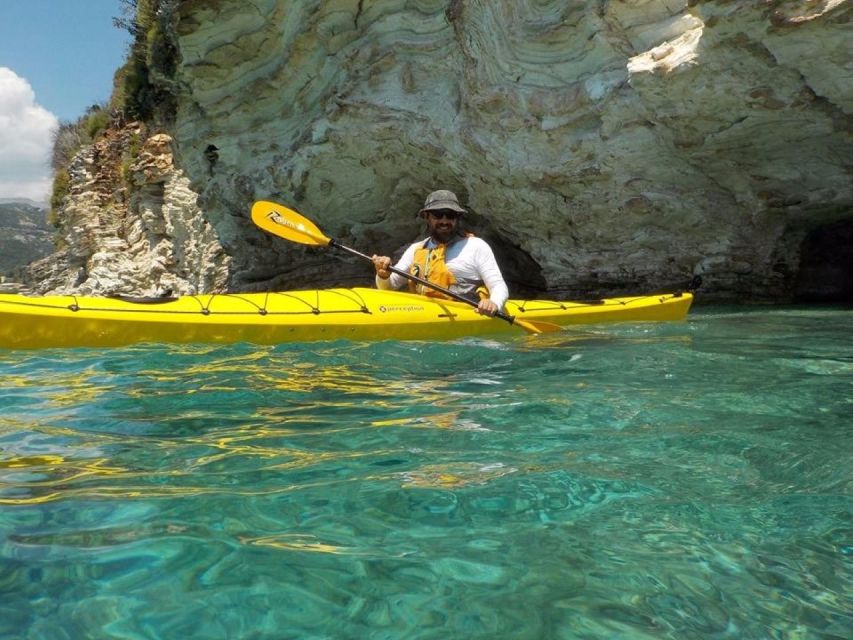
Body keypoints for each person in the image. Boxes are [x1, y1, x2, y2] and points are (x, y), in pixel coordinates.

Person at [371, 190, 509, 316]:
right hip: (425, 316)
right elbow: (389, 287)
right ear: (427, 217)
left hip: (468, 315)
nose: (444, 221)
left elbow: (498, 285)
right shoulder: (416, 249)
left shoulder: (476, 246)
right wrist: (383, 275)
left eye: (450, 215)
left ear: (457, 218)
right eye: (437, 215)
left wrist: (494, 303)